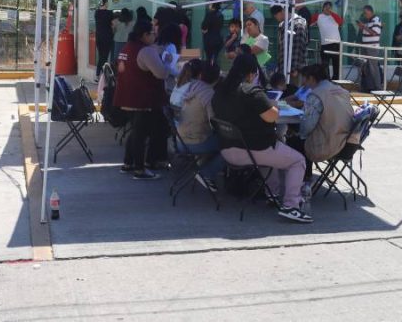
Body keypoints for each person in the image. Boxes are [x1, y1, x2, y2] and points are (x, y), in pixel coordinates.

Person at [212, 53, 311, 223]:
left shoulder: (219, 90)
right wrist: (272, 104)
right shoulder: (252, 92)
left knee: (267, 159)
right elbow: (272, 117)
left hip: (227, 150)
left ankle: (273, 194)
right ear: (252, 74)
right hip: (253, 149)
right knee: (298, 161)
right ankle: (291, 206)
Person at [115, 20, 172, 179]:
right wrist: (166, 62)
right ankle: (140, 169)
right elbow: (161, 74)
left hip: (126, 97)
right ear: (145, 35)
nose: (155, 35)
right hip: (142, 99)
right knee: (141, 134)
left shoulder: (126, 48)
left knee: (136, 131)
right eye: (153, 33)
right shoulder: (146, 51)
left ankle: (128, 163)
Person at [286, 64, 355, 182]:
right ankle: (305, 175)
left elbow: (306, 127)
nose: (303, 82)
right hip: (346, 141)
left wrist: (297, 133)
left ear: (311, 78)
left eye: (305, 78)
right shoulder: (341, 90)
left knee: (294, 140)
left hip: (327, 143)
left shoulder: (316, 95)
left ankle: (303, 178)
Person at [174, 61, 224, 192]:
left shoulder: (192, 86)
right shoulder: (208, 94)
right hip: (195, 142)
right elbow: (214, 119)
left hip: (180, 140)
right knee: (231, 146)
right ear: (217, 78)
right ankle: (206, 173)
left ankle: (202, 169)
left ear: (201, 75)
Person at [271, 4, 309, 81]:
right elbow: (281, 48)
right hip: (284, 68)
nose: (276, 18)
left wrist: (295, 69)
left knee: (294, 91)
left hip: (295, 70)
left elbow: (298, 47)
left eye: (276, 15)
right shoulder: (282, 24)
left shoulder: (298, 23)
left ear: (282, 11)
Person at [310, 1, 343, 79]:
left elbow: (340, 21)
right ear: (323, 8)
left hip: (336, 44)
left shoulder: (334, 16)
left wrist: (331, 12)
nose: (328, 9)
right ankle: (326, 80)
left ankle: (336, 80)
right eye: (326, 7)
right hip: (325, 44)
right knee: (325, 65)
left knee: (336, 64)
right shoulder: (318, 16)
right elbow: (310, 22)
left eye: (329, 7)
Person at [357, 5, 382, 92]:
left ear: (370, 11)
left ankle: (377, 87)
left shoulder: (376, 19)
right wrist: (362, 27)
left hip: (372, 47)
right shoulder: (368, 20)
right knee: (366, 67)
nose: (364, 15)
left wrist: (364, 27)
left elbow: (374, 33)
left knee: (373, 67)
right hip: (365, 46)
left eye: (365, 13)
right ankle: (369, 87)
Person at [157, 22, 183, 93]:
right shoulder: (171, 46)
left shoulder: (158, 43)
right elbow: (170, 67)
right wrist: (181, 72)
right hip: (168, 81)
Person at [94, 0, 114, 82]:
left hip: (99, 37)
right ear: (105, 3)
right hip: (107, 37)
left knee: (101, 56)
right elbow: (113, 25)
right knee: (104, 57)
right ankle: (101, 76)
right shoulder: (109, 13)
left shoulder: (97, 13)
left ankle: (99, 76)